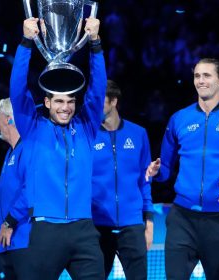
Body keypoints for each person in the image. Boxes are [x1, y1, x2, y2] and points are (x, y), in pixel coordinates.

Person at [9, 17, 107, 279]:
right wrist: (26, 43)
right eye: (60, 101)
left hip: (83, 229)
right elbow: (17, 91)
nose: (66, 107)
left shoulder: (85, 128)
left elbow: (98, 92)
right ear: (47, 102)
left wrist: (95, 44)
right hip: (45, 230)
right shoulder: (32, 127)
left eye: (71, 101)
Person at [145, 58, 219, 280]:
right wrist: (156, 172)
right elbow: (166, 168)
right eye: (197, 76)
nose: (200, 80)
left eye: (207, 76)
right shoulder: (179, 118)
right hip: (181, 218)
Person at [91, 80, 154, 279]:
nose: (93, 106)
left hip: (132, 225)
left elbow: (145, 181)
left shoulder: (138, 134)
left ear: (113, 101)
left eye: (99, 101)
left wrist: (149, 223)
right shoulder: (86, 136)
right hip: (98, 226)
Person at [0, 98, 30, 279]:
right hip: (6, 242)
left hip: (23, 243)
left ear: (10, 120)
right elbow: (7, 200)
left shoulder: (28, 150)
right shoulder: (10, 153)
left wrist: (9, 223)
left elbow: (30, 192)